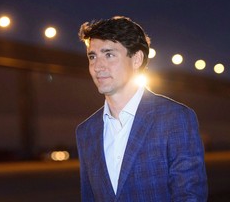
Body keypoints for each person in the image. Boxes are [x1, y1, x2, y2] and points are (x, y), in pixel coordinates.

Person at [75, 16, 208, 201]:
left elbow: (189, 196)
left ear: (136, 59)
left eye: (109, 54)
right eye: (92, 56)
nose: (98, 66)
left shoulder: (175, 118)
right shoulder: (86, 131)